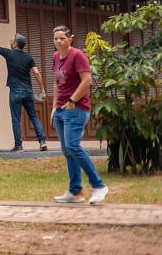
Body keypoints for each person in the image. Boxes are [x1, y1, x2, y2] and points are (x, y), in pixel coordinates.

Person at [50, 26, 108, 205]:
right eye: (56, 38)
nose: (58, 41)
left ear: (70, 39)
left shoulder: (77, 55)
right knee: (68, 151)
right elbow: (56, 83)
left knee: (73, 146)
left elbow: (87, 81)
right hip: (61, 109)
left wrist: (72, 100)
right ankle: (75, 192)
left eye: (62, 38)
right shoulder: (55, 57)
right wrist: (54, 107)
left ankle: (99, 186)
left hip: (76, 108)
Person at [0, 27, 49, 152]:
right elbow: (36, 73)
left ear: (15, 43)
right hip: (28, 91)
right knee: (34, 116)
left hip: (15, 91)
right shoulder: (28, 57)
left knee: (16, 119)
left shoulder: (9, 53)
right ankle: (42, 142)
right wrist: (42, 89)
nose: (10, 42)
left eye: (11, 40)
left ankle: (18, 146)